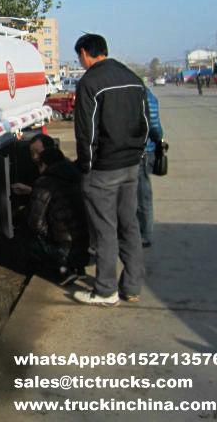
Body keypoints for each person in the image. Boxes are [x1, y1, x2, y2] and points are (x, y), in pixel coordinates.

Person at [71, 34, 149, 306]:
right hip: (131, 166)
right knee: (129, 225)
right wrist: (137, 154)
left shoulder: (90, 83)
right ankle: (132, 286)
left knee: (105, 231)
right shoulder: (133, 79)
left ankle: (105, 290)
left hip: (103, 169)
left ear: (84, 53)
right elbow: (146, 124)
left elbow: (86, 133)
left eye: (79, 57)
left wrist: (86, 167)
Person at [21, 146, 89, 285]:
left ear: (44, 165)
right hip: (85, 244)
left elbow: (35, 223)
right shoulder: (76, 175)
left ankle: (63, 270)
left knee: (29, 237)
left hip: (63, 248)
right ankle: (79, 269)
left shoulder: (45, 183)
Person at [138, 88, 164, 247]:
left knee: (142, 194)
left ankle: (145, 234)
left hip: (143, 151)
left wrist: (157, 140)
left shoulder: (144, 95)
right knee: (138, 195)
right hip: (141, 150)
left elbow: (154, 124)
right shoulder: (144, 93)